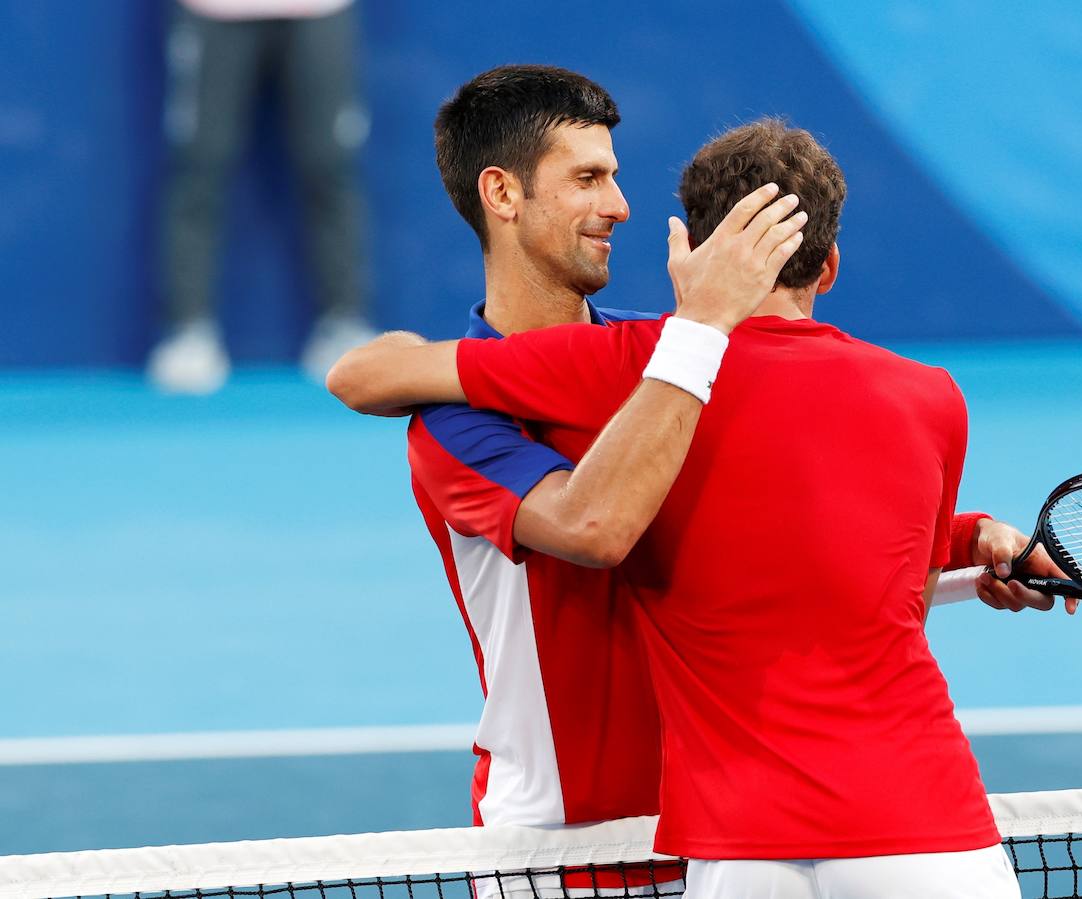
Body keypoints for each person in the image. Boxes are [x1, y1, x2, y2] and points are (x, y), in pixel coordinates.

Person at [334, 117, 1027, 898]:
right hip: (594, 839)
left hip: (726, 840)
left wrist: (975, 539)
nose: (617, 205)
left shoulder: (631, 358)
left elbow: (363, 373)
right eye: (589, 178)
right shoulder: (926, 394)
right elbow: (884, 573)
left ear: (689, 256)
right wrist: (975, 543)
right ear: (828, 266)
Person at [148, 0, 376, 394]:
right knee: (199, 169)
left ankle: (343, 322)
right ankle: (188, 330)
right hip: (212, 13)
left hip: (320, 12)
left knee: (329, 167)